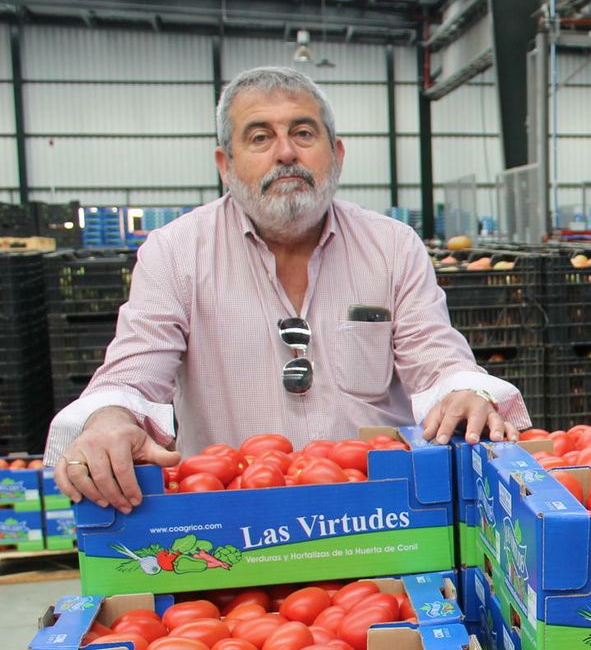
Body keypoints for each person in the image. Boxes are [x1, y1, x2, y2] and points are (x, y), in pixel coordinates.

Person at [45, 66, 530, 513]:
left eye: (303, 133)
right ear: (225, 164)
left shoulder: (392, 246)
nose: (285, 153)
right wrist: (110, 416)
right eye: (260, 137)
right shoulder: (175, 252)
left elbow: (435, 356)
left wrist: (464, 390)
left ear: (336, 154)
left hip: (379, 511)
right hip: (235, 513)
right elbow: (136, 363)